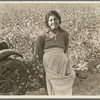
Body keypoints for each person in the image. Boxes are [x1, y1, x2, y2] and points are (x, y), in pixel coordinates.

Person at [35, 10, 75, 95]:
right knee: (51, 84)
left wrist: (63, 57)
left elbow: (66, 47)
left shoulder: (64, 33)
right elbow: (39, 48)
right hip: (49, 63)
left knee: (63, 81)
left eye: (55, 19)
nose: (53, 22)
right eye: (51, 20)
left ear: (59, 20)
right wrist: (43, 61)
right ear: (47, 22)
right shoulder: (43, 35)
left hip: (61, 61)